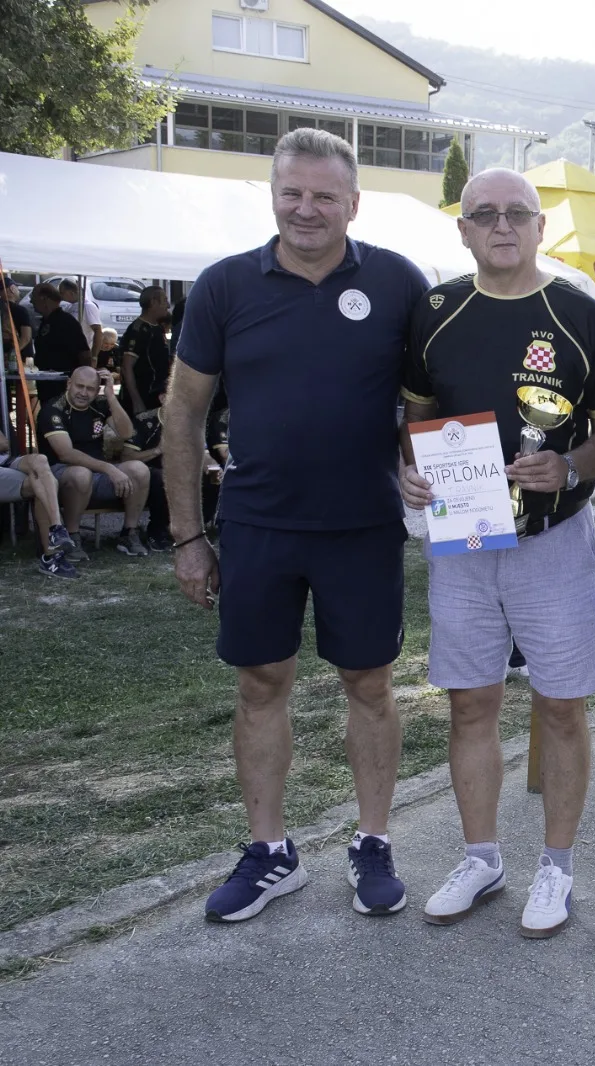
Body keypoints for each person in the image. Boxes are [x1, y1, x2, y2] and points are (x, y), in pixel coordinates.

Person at [164, 127, 429, 922]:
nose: (306, 208)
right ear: (273, 195)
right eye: (292, 193)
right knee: (259, 684)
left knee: (370, 685)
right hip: (258, 525)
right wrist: (188, 537)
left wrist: (427, 467)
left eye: (323, 196)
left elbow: (427, 403)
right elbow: (183, 410)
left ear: (354, 203)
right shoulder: (224, 286)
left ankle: (373, 842)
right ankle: (271, 853)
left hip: (363, 525)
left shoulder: (397, 281)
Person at [397, 168, 595, 935]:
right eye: (485, 214)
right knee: (471, 701)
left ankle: (556, 867)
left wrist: (570, 467)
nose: (502, 225)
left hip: (552, 542)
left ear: (539, 227)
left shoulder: (579, 314)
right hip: (463, 541)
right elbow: (418, 416)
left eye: (517, 213)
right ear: (463, 228)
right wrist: (411, 469)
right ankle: (481, 858)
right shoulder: (435, 311)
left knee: (560, 705)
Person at [37, 366, 151, 557]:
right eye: (79, 386)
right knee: (81, 474)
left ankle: (129, 532)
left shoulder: (100, 404)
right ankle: (72, 535)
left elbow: (127, 433)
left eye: (90, 388)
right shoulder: (53, 409)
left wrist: (111, 397)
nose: (84, 393)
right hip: (61, 475)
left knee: (139, 470)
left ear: (98, 390)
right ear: (69, 384)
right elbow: (65, 454)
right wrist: (109, 469)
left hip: (97, 473)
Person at [0, 420, 76, 577]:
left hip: (5, 461)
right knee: (42, 484)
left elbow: (3, 444)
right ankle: (52, 556)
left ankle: (57, 529)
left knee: (40, 461)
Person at [118, 401, 173, 552]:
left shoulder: (191, 419)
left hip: (179, 469)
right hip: (147, 473)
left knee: (206, 477)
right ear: (163, 397)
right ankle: (157, 532)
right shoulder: (144, 420)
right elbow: (126, 457)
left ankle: (192, 531)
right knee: (161, 477)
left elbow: (203, 453)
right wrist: (158, 450)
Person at [29, 283, 91, 405]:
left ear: (44, 298)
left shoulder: (66, 322)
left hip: (62, 386)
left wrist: (83, 380)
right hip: (46, 384)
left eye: (33, 297)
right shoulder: (46, 321)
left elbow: (84, 353)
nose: (31, 301)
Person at [119, 286, 173, 414]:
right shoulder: (137, 330)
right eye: (164, 300)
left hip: (157, 395)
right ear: (153, 302)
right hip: (143, 396)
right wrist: (137, 401)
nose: (168, 305)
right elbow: (127, 367)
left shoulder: (158, 328)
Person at [57, 279, 104, 354]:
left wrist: (94, 355)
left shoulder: (88, 306)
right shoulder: (69, 306)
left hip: (82, 352)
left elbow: (98, 331)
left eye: (62, 293)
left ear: (71, 292)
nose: (60, 295)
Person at [3, 275, 34, 366]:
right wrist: (13, 353)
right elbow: (26, 337)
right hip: (21, 360)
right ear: (12, 288)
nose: (18, 290)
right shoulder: (20, 310)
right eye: (16, 287)